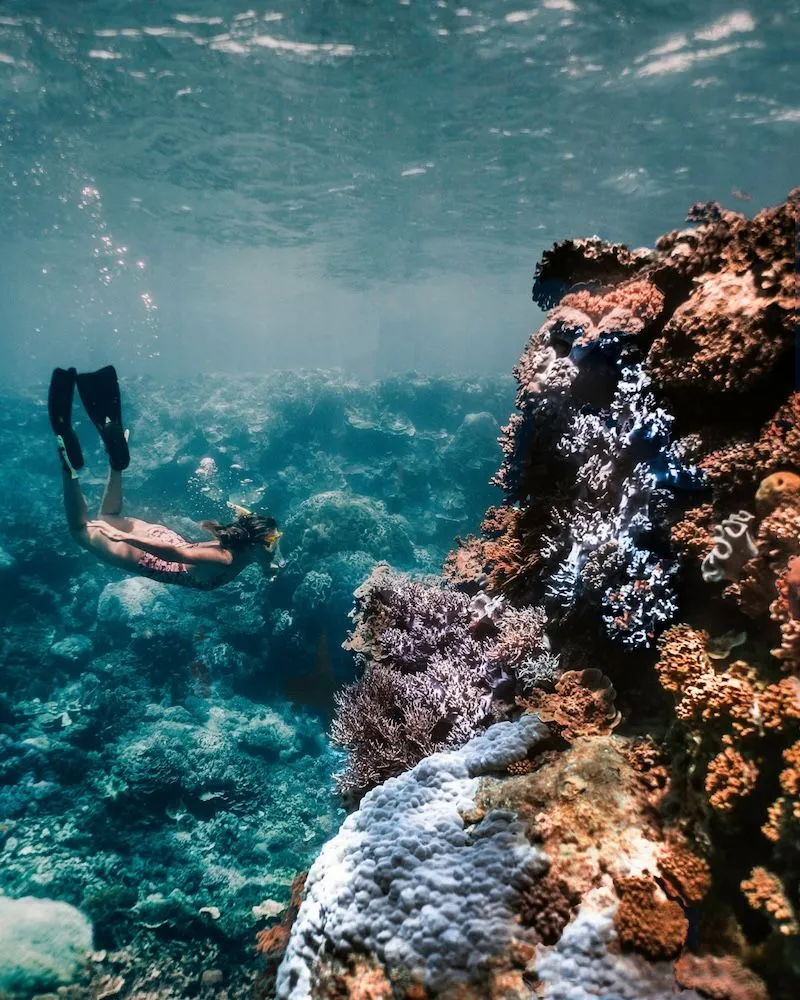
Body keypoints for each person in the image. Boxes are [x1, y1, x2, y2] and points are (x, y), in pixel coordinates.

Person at [48, 366, 281, 590]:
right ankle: (68, 468)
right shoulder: (226, 559)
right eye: (271, 542)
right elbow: (177, 555)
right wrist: (123, 537)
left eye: (275, 539)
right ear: (253, 545)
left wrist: (268, 566)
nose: (275, 545)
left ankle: (116, 463)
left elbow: (249, 524)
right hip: (148, 557)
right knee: (78, 531)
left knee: (108, 516)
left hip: (164, 538)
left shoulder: (244, 545)